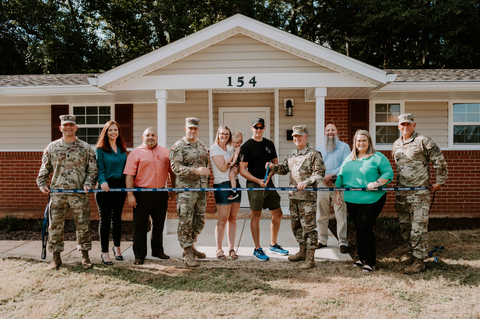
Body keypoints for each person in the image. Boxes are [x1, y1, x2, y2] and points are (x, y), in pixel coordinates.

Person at [36, 115, 97, 270]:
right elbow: (45, 168)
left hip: (79, 194)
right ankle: (56, 259)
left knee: (83, 226)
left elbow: (92, 169)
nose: (68, 127)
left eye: (71, 125)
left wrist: (89, 183)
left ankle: (85, 258)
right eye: (65, 125)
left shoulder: (85, 148)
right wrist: (42, 184)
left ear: (76, 128)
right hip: (58, 195)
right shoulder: (52, 147)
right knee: (55, 227)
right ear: (60, 128)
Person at [392, 113, 448, 274]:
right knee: (405, 226)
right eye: (402, 124)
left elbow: (439, 161)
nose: (405, 127)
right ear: (398, 126)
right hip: (401, 192)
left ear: (414, 125)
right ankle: (413, 253)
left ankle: (419, 261)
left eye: (408, 124)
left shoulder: (424, 141)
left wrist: (440, 182)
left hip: (419, 193)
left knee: (418, 227)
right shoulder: (396, 144)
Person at [334, 130, 393, 273]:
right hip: (351, 200)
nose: (361, 143)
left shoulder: (377, 157)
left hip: (372, 199)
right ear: (354, 143)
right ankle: (361, 258)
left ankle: (371, 262)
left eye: (364, 141)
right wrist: (337, 193)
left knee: (364, 228)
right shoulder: (349, 158)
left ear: (369, 142)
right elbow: (340, 176)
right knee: (359, 228)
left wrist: (377, 182)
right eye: (358, 141)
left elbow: (388, 173)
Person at [267, 125, 325, 268]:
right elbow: (284, 169)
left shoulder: (314, 154)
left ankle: (310, 259)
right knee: (296, 226)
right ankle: (302, 252)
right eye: (294, 136)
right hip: (293, 196)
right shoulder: (291, 155)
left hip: (307, 198)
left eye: (299, 135)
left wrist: (307, 182)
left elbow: (320, 174)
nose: (296, 138)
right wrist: (273, 167)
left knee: (309, 227)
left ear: (306, 136)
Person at [239, 117, 289, 261]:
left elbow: (275, 165)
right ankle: (257, 249)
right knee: (256, 216)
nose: (259, 130)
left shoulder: (269, 144)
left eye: (261, 127)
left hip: (268, 183)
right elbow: (243, 170)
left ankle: (273, 245)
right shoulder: (247, 146)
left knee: (278, 213)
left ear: (264, 128)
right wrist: (258, 180)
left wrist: (269, 176)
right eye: (256, 127)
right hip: (254, 184)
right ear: (252, 128)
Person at [124, 127, 176, 265]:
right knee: (140, 225)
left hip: (160, 193)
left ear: (157, 137)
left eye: (153, 135)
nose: (150, 137)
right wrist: (130, 194)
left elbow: (172, 171)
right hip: (141, 193)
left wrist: (173, 188)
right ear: (143, 137)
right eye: (147, 135)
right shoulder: (135, 153)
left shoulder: (165, 152)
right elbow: (129, 174)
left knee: (159, 224)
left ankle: (158, 250)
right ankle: (139, 255)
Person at [170, 118, 210, 267]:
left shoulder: (202, 146)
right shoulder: (178, 147)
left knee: (199, 221)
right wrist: (195, 171)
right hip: (186, 191)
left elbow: (206, 168)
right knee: (185, 222)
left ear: (198, 130)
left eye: (195, 128)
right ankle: (187, 252)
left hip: (201, 190)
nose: (193, 131)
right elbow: (176, 168)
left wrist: (206, 188)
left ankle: (191, 245)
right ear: (185, 129)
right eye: (190, 128)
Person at [94, 120, 128, 265]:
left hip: (120, 187)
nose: (113, 132)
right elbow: (99, 169)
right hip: (105, 187)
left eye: (115, 130)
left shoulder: (122, 149)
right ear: (105, 132)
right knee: (105, 220)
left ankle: (117, 248)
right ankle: (104, 252)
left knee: (117, 219)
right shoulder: (100, 149)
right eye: (110, 130)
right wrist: (102, 181)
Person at [316, 123, 351, 253]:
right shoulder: (319, 148)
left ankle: (342, 242)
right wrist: (325, 177)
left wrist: (332, 175)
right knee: (321, 214)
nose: (330, 132)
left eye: (333, 130)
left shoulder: (344, 147)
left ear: (337, 132)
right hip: (322, 184)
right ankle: (322, 240)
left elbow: (345, 164)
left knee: (340, 214)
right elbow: (316, 167)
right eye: (328, 130)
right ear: (325, 133)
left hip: (339, 183)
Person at [210, 126, 241, 260]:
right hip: (222, 185)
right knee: (222, 219)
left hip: (235, 184)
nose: (225, 136)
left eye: (227, 134)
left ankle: (232, 249)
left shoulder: (229, 148)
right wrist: (230, 162)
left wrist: (235, 169)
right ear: (218, 134)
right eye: (222, 133)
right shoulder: (214, 148)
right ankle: (219, 249)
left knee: (233, 219)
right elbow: (222, 167)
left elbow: (233, 167)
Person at [226, 131, 243, 201]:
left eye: (237, 143)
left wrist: (232, 163)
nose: (235, 144)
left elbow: (236, 156)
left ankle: (234, 192)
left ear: (241, 142)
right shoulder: (230, 147)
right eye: (233, 142)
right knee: (231, 177)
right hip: (233, 164)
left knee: (231, 176)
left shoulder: (238, 148)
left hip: (235, 164)